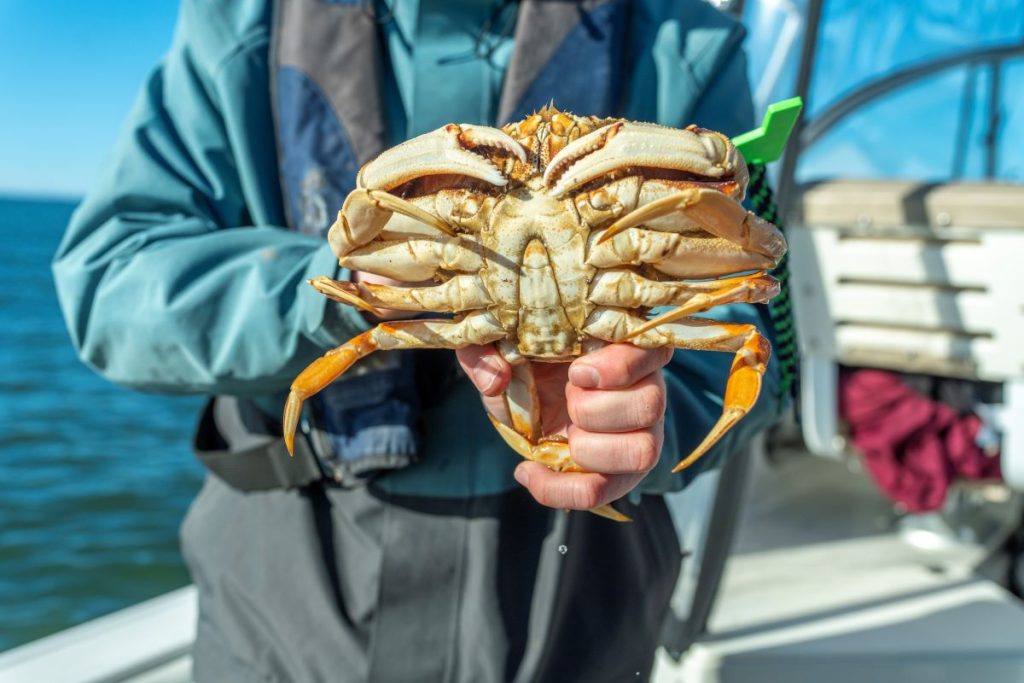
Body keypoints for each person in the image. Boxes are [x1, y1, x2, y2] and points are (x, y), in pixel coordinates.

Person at [52, 0, 781, 680]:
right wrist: (365, 277)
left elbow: (758, 309)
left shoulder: (685, 43)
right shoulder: (243, 23)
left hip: (577, 588)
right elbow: (108, 279)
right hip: (289, 585)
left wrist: (652, 408)